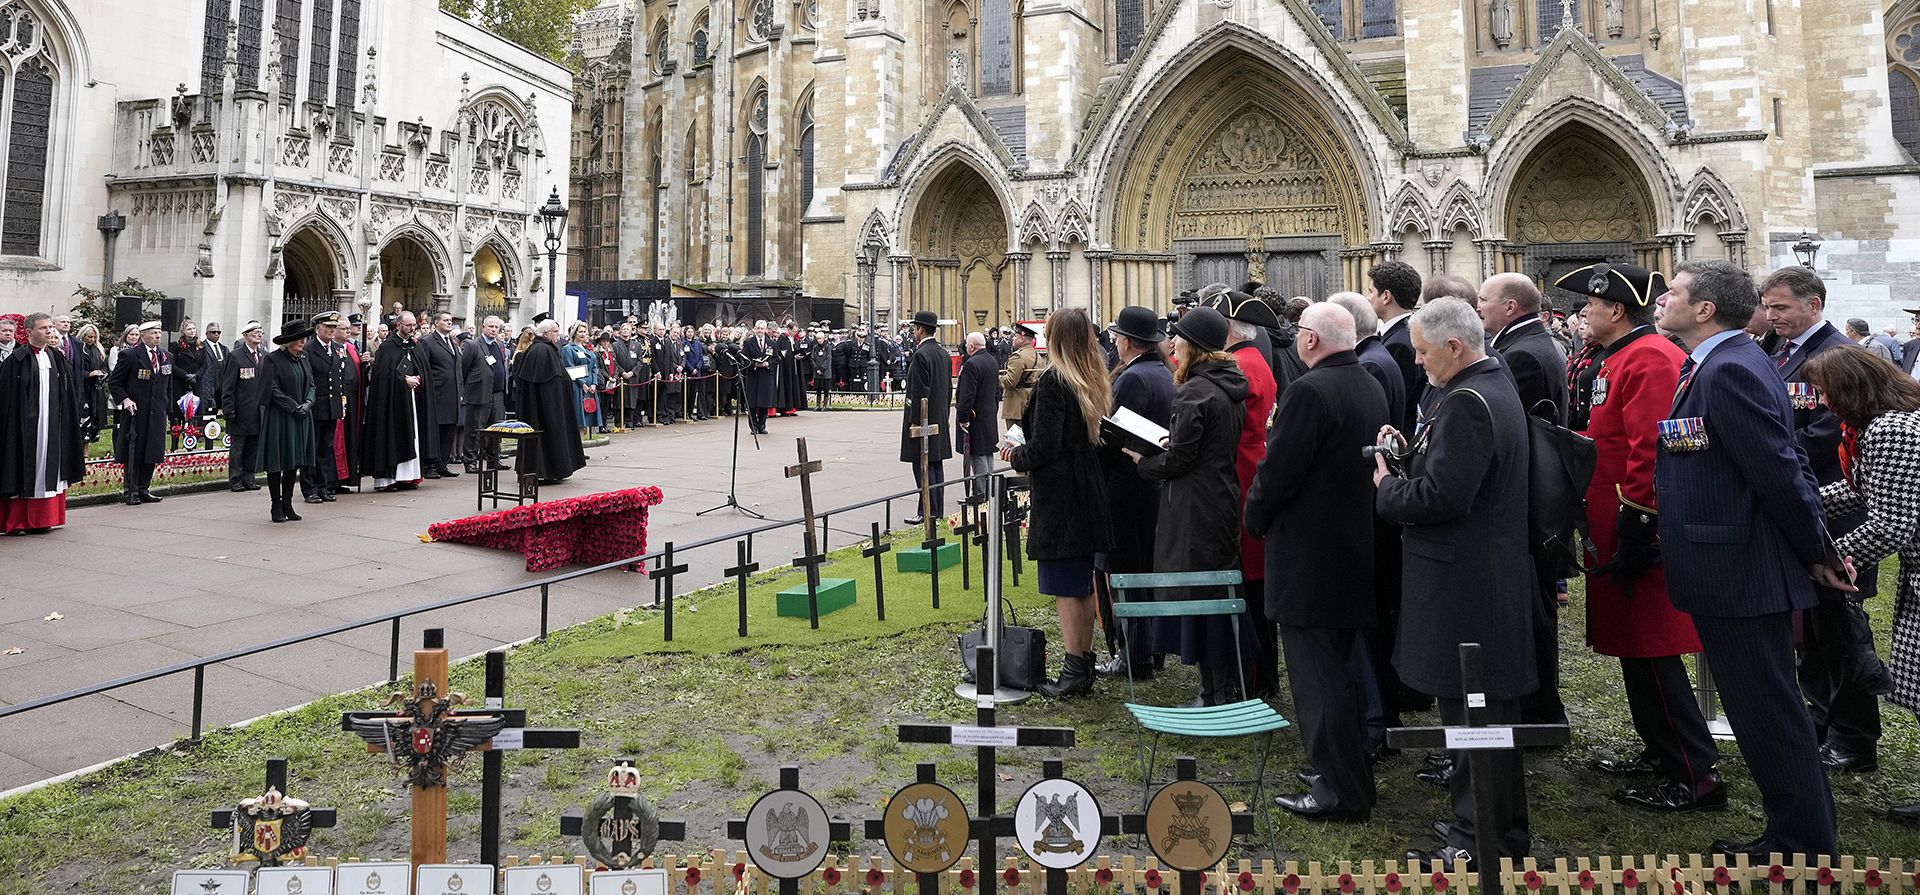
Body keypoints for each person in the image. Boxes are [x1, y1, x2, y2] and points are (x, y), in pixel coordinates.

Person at [1654, 258, 1846, 861]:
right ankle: (1795, 831)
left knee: (1767, 710)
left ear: (1705, 309)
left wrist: (1815, 550)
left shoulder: (1731, 368)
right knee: (1761, 707)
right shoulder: (1718, 363)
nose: (1661, 300)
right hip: (1727, 564)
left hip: (1740, 569)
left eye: (1674, 293)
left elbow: (1778, 470)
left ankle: (1801, 841)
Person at [1550, 263, 1724, 813]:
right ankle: (1660, 750)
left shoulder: (1647, 357)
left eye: (1590, 307)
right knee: (1635, 649)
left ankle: (1694, 773)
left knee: (1653, 649)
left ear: (1616, 310)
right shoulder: (1621, 356)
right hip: (1612, 517)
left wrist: (1639, 522)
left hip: (1636, 525)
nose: (1582, 315)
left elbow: (1652, 448)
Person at [1373, 297, 1537, 867]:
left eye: (1421, 352)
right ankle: (1490, 828)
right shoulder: (1485, 386)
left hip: (1468, 586)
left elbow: (1445, 496)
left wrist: (1388, 487)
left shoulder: (1467, 401)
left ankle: (1482, 840)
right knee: (1477, 716)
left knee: (1477, 717)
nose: (1416, 362)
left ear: (1454, 347)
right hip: (1479, 576)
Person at [1243, 302, 1388, 822]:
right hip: (1351, 550)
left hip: (1309, 558)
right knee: (1341, 672)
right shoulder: (1368, 382)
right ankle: (1347, 774)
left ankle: (1338, 790)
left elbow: (1278, 471)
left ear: (1309, 340)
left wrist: (1254, 519)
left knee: (1318, 680)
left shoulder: (1309, 390)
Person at [1760, 266, 1890, 774]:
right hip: (1807, 510)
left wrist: (1769, 463)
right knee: (1811, 633)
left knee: (1841, 633)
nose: (1773, 317)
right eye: (1769, 307)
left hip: (1835, 516)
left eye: (1783, 307)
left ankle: (1855, 738)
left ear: (1815, 304)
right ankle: (1822, 725)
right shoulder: (1777, 351)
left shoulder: (1837, 356)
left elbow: (1824, 438)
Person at [1801, 346, 1920, 826]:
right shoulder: (1882, 426)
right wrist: (1798, 501)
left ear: (1852, 389)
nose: (1823, 401)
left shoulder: (1891, 432)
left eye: (1826, 391)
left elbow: (1891, 524)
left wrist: (1831, 560)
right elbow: (1856, 489)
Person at [1131, 306, 1249, 706]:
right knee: (1215, 586)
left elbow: (1180, 459)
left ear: (1195, 346)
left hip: (1195, 506)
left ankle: (1215, 690)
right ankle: (1221, 684)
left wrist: (1143, 461)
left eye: (1179, 337)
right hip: (1220, 497)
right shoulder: (1228, 383)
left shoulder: (1195, 391)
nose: (1172, 344)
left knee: (1202, 593)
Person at [1476, 272, 1570, 729]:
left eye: (1484, 299)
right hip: (1538, 497)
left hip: (1530, 497)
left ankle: (1535, 710)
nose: (1479, 307)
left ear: (1510, 307)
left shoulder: (1521, 354)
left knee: (1530, 609)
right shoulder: (1536, 343)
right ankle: (1537, 709)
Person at [1004, 309, 1113, 698]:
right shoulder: (1090, 376)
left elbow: (1046, 446)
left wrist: (1016, 457)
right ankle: (1081, 661)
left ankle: (1073, 666)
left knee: (1067, 585)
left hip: (1062, 495)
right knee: (1081, 583)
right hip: (1085, 487)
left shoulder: (1055, 380)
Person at [1330, 290, 1414, 739]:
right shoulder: (1378, 358)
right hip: (1372, 508)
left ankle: (1377, 718)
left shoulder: (1371, 365)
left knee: (1369, 621)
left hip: (1367, 510)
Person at [1093, 307, 1176, 679]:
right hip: (1152, 487)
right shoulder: (1164, 373)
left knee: (1126, 575)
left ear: (1127, 341)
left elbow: (1114, 436)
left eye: (1117, 336)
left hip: (1127, 486)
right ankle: (1151, 650)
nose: (1114, 341)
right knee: (1146, 569)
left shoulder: (1132, 379)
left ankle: (1134, 656)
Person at [1209, 291, 1281, 697]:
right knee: (1253, 584)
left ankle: (1251, 677)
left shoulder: (1238, 365)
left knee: (1246, 585)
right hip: (1249, 469)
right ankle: (1259, 674)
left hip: (1237, 476)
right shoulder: (1256, 361)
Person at [0, 313, 84, 534]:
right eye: (43, 328)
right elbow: (6, 400)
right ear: (28, 332)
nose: (49, 331)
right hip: (24, 428)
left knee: (49, 468)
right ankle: (18, 521)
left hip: (52, 425)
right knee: (22, 467)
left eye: (50, 327)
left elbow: (67, 394)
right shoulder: (15, 361)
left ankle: (42, 519)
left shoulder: (57, 357)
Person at [365, 311, 439, 491]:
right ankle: (389, 479)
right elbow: (382, 377)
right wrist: (403, 381)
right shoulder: (387, 347)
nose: (412, 328)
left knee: (413, 435)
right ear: (398, 325)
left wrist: (419, 379)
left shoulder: (416, 345)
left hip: (413, 400)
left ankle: (410, 477)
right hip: (393, 404)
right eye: (408, 325)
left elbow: (424, 370)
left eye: (414, 325)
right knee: (393, 435)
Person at [512, 319, 589, 484]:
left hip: (546, 406)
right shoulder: (542, 350)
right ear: (546, 333)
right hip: (544, 409)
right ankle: (545, 471)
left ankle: (552, 471)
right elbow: (547, 383)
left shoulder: (543, 349)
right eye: (555, 331)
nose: (558, 335)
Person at [108, 321, 172, 506]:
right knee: (134, 450)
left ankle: (144, 488)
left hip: (157, 411)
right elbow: (115, 382)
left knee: (152, 450)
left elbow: (168, 386)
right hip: (137, 411)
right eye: (153, 333)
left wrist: (168, 409)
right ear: (142, 335)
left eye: (159, 333)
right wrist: (125, 399)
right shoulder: (129, 355)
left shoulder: (166, 356)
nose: (157, 336)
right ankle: (131, 489)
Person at [260, 320, 316, 523]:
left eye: (304, 338)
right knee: (277, 462)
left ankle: (288, 503)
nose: (303, 342)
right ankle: (276, 505)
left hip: (301, 416)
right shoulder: (272, 360)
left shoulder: (303, 358)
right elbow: (271, 389)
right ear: (289, 341)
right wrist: (293, 406)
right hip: (280, 417)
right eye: (299, 339)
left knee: (294, 462)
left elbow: (311, 383)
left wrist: (308, 403)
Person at [900, 311, 954, 524]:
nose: (913, 333)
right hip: (938, 418)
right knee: (936, 465)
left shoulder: (921, 355)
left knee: (922, 466)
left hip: (924, 420)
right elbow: (948, 389)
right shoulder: (942, 353)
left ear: (921, 329)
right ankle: (936, 510)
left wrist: (915, 421)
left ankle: (926, 512)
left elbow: (918, 392)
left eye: (914, 329)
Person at [1370, 261, 1425, 434]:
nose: (1368, 298)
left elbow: (1393, 402)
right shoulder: (1403, 333)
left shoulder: (1398, 343)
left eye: (1371, 292)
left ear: (1386, 296)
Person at [303, 313, 352, 503]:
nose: (332, 330)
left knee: (326, 448)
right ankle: (310, 489)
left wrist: (343, 402)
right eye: (328, 327)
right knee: (312, 449)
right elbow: (308, 381)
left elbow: (342, 378)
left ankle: (322, 486)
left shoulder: (339, 349)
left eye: (334, 327)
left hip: (333, 406)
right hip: (316, 406)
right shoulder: (308, 349)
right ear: (318, 329)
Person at [219, 321, 269, 492]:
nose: (258, 335)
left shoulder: (263, 355)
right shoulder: (235, 356)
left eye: (260, 332)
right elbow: (228, 387)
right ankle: (235, 479)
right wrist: (229, 411)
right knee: (238, 449)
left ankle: (249, 477)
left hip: (258, 411)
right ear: (245, 336)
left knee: (253, 446)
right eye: (254, 332)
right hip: (240, 411)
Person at [457, 316, 509, 470]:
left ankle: (493, 460)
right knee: (475, 429)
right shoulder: (473, 345)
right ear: (483, 327)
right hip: (479, 393)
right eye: (491, 326)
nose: (494, 330)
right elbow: (463, 369)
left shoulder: (499, 345)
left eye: (496, 327)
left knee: (496, 428)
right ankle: (471, 461)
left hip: (498, 394)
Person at [954, 332, 1001, 499]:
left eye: (967, 344)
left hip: (975, 418)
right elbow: (997, 392)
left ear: (972, 346)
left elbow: (967, 395)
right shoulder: (992, 361)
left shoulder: (972, 364)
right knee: (987, 454)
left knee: (977, 455)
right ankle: (989, 491)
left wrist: (963, 418)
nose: (966, 347)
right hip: (988, 415)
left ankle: (982, 496)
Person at [420, 312, 463, 479]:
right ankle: (429, 465)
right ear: (436, 323)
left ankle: (442, 464)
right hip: (437, 393)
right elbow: (424, 367)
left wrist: (461, 391)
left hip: (453, 393)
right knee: (435, 430)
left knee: (449, 430)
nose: (449, 322)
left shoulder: (453, 342)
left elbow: (457, 368)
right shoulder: (428, 342)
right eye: (445, 320)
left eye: (451, 320)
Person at [1000, 322, 1045, 435]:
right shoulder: (1037, 356)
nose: (1013, 339)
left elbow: (1010, 382)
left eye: (1015, 336)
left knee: (1015, 440)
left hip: (1016, 404)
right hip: (1031, 400)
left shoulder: (1018, 356)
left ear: (1022, 339)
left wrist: (998, 378)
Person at [564, 323, 602, 436]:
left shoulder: (587, 350)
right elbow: (569, 367)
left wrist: (594, 383)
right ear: (574, 333)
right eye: (580, 331)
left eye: (584, 332)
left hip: (590, 388)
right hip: (577, 387)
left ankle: (581, 448)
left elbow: (594, 368)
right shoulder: (568, 349)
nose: (583, 334)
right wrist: (583, 384)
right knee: (578, 419)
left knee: (586, 419)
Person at [743, 321, 777, 435]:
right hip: (753, 376)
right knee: (752, 403)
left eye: (762, 328)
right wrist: (754, 364)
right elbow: (744, 359)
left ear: (766, 330)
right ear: (754, 329)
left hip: (766, 376)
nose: (760, 331)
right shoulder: (748, 343)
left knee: (764, 402)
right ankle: (753, 426)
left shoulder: (771, 343)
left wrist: (768, 364)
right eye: (758, 328)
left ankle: (762, 425)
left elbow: (776, 359)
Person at [75, 324, 107, 442]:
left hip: (96, 389)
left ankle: (90, 442)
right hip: (83, 388)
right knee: (84, 417)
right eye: (89, 337)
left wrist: (103, 374)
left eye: (94, 337)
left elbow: (105, 366)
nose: (92, 340)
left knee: (95, 418)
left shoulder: (98, 349)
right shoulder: (78, 349)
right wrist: (89, 374)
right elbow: (75, 369)